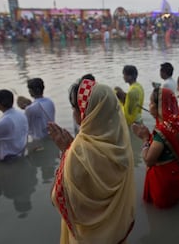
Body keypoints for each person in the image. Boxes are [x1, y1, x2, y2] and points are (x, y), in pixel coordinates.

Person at [48, 79, 136, 244]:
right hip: (116, 234)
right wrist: (70, 149)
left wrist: (66, 154)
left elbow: (57, 198)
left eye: (76, 108)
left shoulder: (77, 152)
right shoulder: (122, 144)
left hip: (87, 238)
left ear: (85, 113)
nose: (74, 113)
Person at [132, 87, 179, 208]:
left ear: (158, 106)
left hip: (163, 183)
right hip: (175, 177)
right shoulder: (176, 123)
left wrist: (144, 138)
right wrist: (150, 136)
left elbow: (149, 160)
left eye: (150, 102)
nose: (149, 105)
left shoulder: (162, 131)